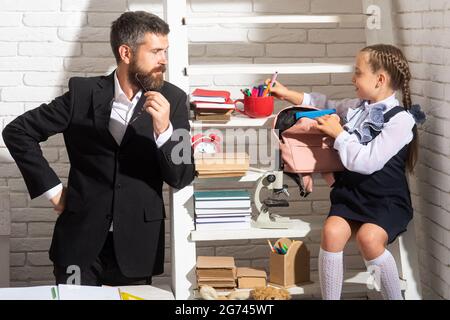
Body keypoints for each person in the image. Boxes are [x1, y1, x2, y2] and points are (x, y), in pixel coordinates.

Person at [2, 11, 195, 286]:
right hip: (78, 244)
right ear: (126, 53)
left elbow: (182, 176)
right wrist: (54, 192)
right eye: (155, 52)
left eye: (165, 51)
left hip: (136, 245)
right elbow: (18, 132)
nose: (164, 60)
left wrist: (164, 130)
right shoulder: (82, 93)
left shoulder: (173, 100)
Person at [268, 44, 425, 300]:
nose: (353, 78)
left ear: (380, 79)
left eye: (358, 72)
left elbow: (367, 162)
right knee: (331, 232)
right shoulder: (356, 107)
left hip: (385, 200)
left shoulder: (401, 121)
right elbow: (323, 104)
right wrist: (287, 94)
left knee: (369, 238)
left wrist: (339, 134)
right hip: (351, 195)